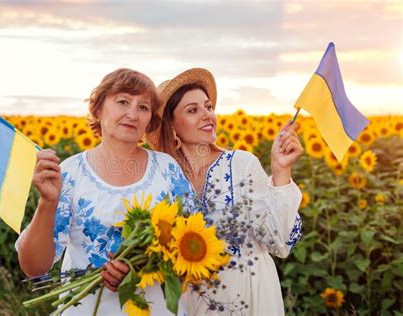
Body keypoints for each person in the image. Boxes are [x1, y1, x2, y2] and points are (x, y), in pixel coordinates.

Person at [16, 68, 192, 315]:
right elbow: (34, 267)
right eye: (123, 101)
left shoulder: (167, 169)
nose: (132, 114)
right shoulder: (70, 173)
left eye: (143, 107)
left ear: (150, 119)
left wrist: (139, 271)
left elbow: (193, 243)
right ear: (98, 108)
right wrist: (47, 202)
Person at [146, 68, 304, 315]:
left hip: (249, 298)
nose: (207, 115)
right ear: (171, 124)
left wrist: (281, 171)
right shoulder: (161, 176)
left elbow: (279, 243)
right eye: (192, 110)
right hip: (190, 302)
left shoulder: (241, 164)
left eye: (208, 106)